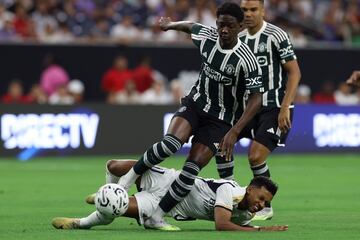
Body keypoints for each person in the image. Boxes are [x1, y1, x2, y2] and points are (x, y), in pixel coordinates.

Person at [118, 2, 264, 230]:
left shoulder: (247, 60)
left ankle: (157, 215)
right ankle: (124, 183)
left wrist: (235, 130)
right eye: (220, 25)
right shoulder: (208, 37)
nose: (224, 30)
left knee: (191, 168)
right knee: (169, 144)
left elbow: (257, 98)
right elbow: (191, 26)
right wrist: (170, 25)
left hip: (220, 120)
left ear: (240, 27)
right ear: (216, 24)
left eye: (230, 26)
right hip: (195, 104)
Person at [216, 0, 301, 221]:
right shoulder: (239, 38)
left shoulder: (276, 35)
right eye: (244, 10)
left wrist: (285, 107)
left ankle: (265, 206)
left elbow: (294, 73)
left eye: (253, 9)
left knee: (255, 156)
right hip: (247, 108)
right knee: (221, 144)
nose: (248, 14)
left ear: (263, 10)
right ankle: (232, 196)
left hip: (274, 107)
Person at [52, 159, 288, 232]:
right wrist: (260, 231)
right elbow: (221, 224)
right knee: (113, 165)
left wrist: (251, 226)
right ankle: (111, 190)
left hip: (164, 206)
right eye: (261, 198)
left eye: (266, 203)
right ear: (249, 189)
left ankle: (79, 223)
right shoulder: (229, 190)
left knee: (115, 209)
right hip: (168, 180)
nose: (262, 205)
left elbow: (231, 223)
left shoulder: (243, 216)